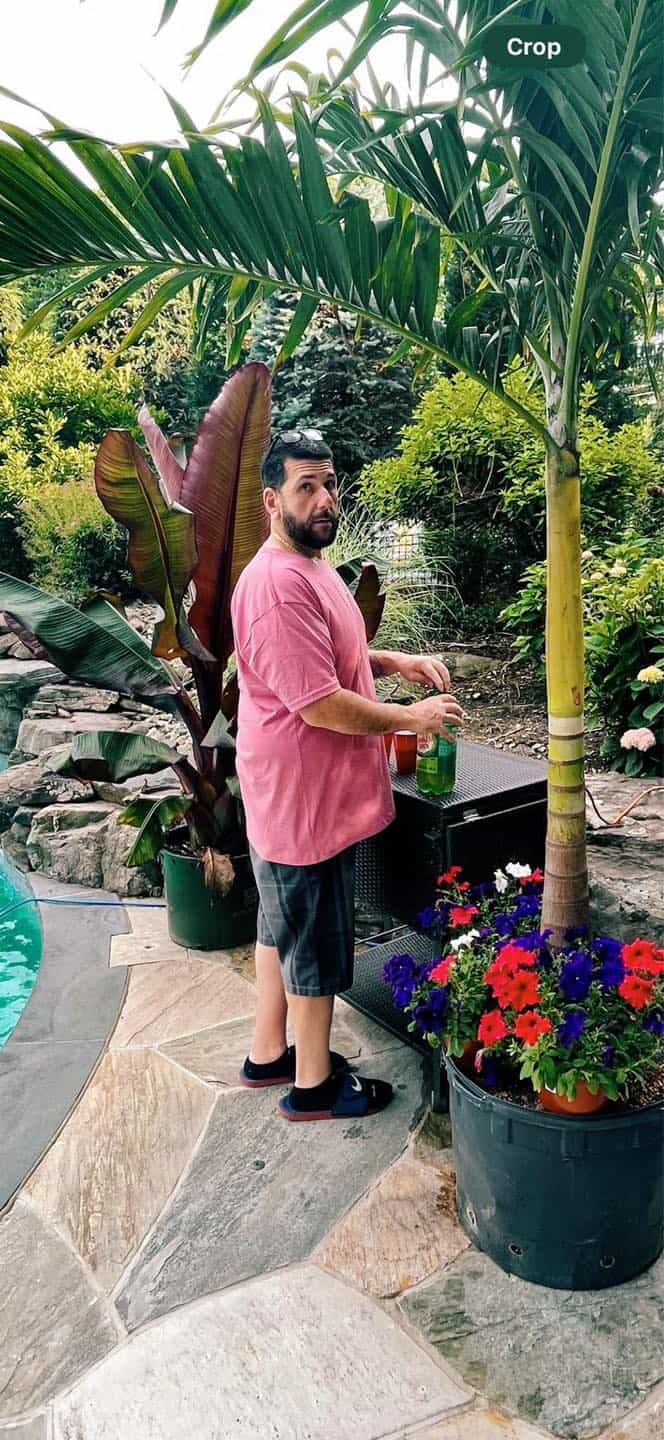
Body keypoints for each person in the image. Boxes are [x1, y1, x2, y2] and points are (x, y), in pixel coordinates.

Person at [231, 428, 464, 1121]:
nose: (325, 497)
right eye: (307, 486)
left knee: (281, 930)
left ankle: (268, 1053)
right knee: (316, 945)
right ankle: (312, 1088)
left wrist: (392, 662)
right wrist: (410, 718)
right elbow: (321, 704)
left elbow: (330, 652)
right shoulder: (275, 586)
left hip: (298, 797)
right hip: (305, 804)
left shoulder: (308, 568)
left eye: (330, 482)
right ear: (273, 500)